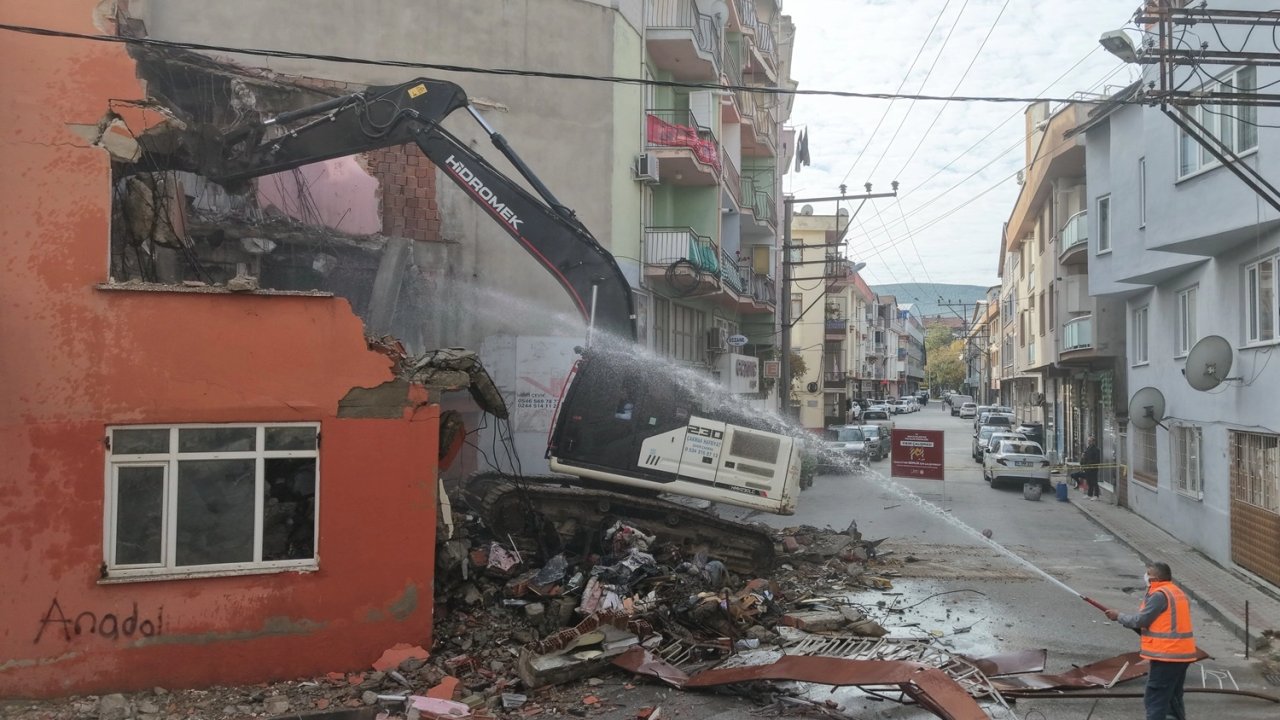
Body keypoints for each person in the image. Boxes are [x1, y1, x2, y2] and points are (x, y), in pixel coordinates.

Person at [1102, 562, 1198, 720]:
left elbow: (1141, 620)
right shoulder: (1176, 592)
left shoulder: (1160, 595)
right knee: (1173, 698)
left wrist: (1118, 616)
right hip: (1182, 654)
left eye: (1148, 574)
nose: (1145, 577)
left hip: (1167, 655)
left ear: (1156, 578)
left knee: (1155, 699)